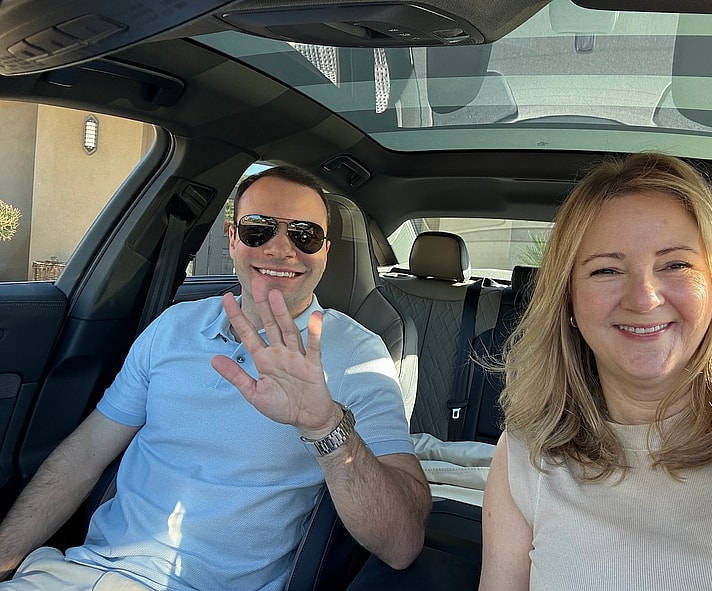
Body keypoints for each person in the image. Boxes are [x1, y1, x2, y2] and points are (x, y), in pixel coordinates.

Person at [0, 165, 431, 590]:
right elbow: (85, 454)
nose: (281, 249)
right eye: (259, 229)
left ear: (324, 252)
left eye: (305, 234)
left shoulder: (359, 354)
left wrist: (324, 425)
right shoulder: (172, 327)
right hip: (76, 572)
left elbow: (401, 544)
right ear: (232, 238)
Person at [479, 152, 712, 591]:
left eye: (676, 265)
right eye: (606, 270)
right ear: (567, 301)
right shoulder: (525, 455)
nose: (643, 299)